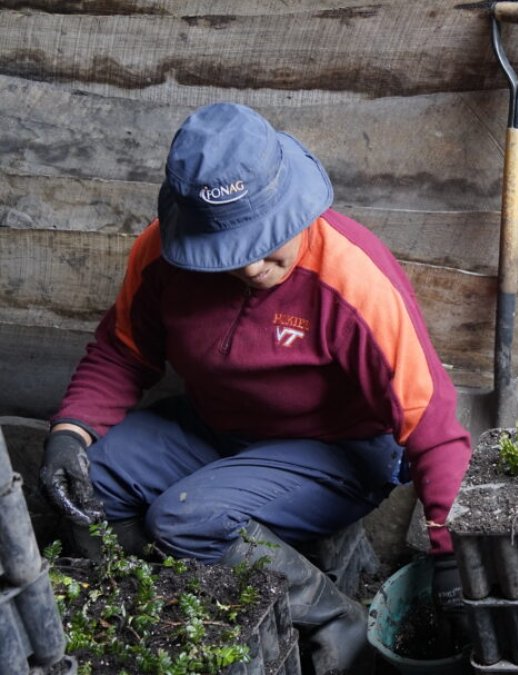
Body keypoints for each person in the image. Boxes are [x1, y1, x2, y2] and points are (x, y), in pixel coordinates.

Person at [37, 102, 472, 673]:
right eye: (229, 251)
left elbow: (433, 426)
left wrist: (450, 558)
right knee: (89, 485)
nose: (250, 267)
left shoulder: (354, 278)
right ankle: (162, 615)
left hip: (337, 450)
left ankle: (340, 624)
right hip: (215, 429)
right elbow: (122, 352)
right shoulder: (161, 254)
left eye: (265, 243)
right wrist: (70, 433)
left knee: (185, 520)